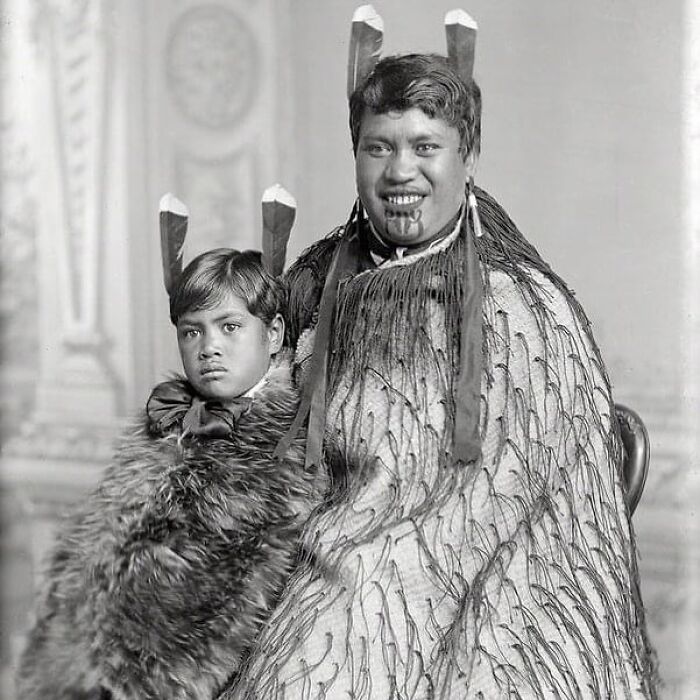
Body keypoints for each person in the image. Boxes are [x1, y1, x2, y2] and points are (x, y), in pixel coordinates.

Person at [220, 12, 658, 700]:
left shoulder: (523, 306)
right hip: (324, 562)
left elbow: (534, 495)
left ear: (467, 158)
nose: (400, 172)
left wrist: (397, 565)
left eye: (426, 147)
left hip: (498, 573)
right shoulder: (313, 287)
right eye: (378, 147)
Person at [16, 247, 326, 700]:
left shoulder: (281, 451)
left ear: (274, 333)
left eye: (231, 327)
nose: (209, 348)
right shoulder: (167, 417)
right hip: (86, 657)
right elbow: (96, 548)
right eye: (192, 332)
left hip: (169, 676)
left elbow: (223, 612)